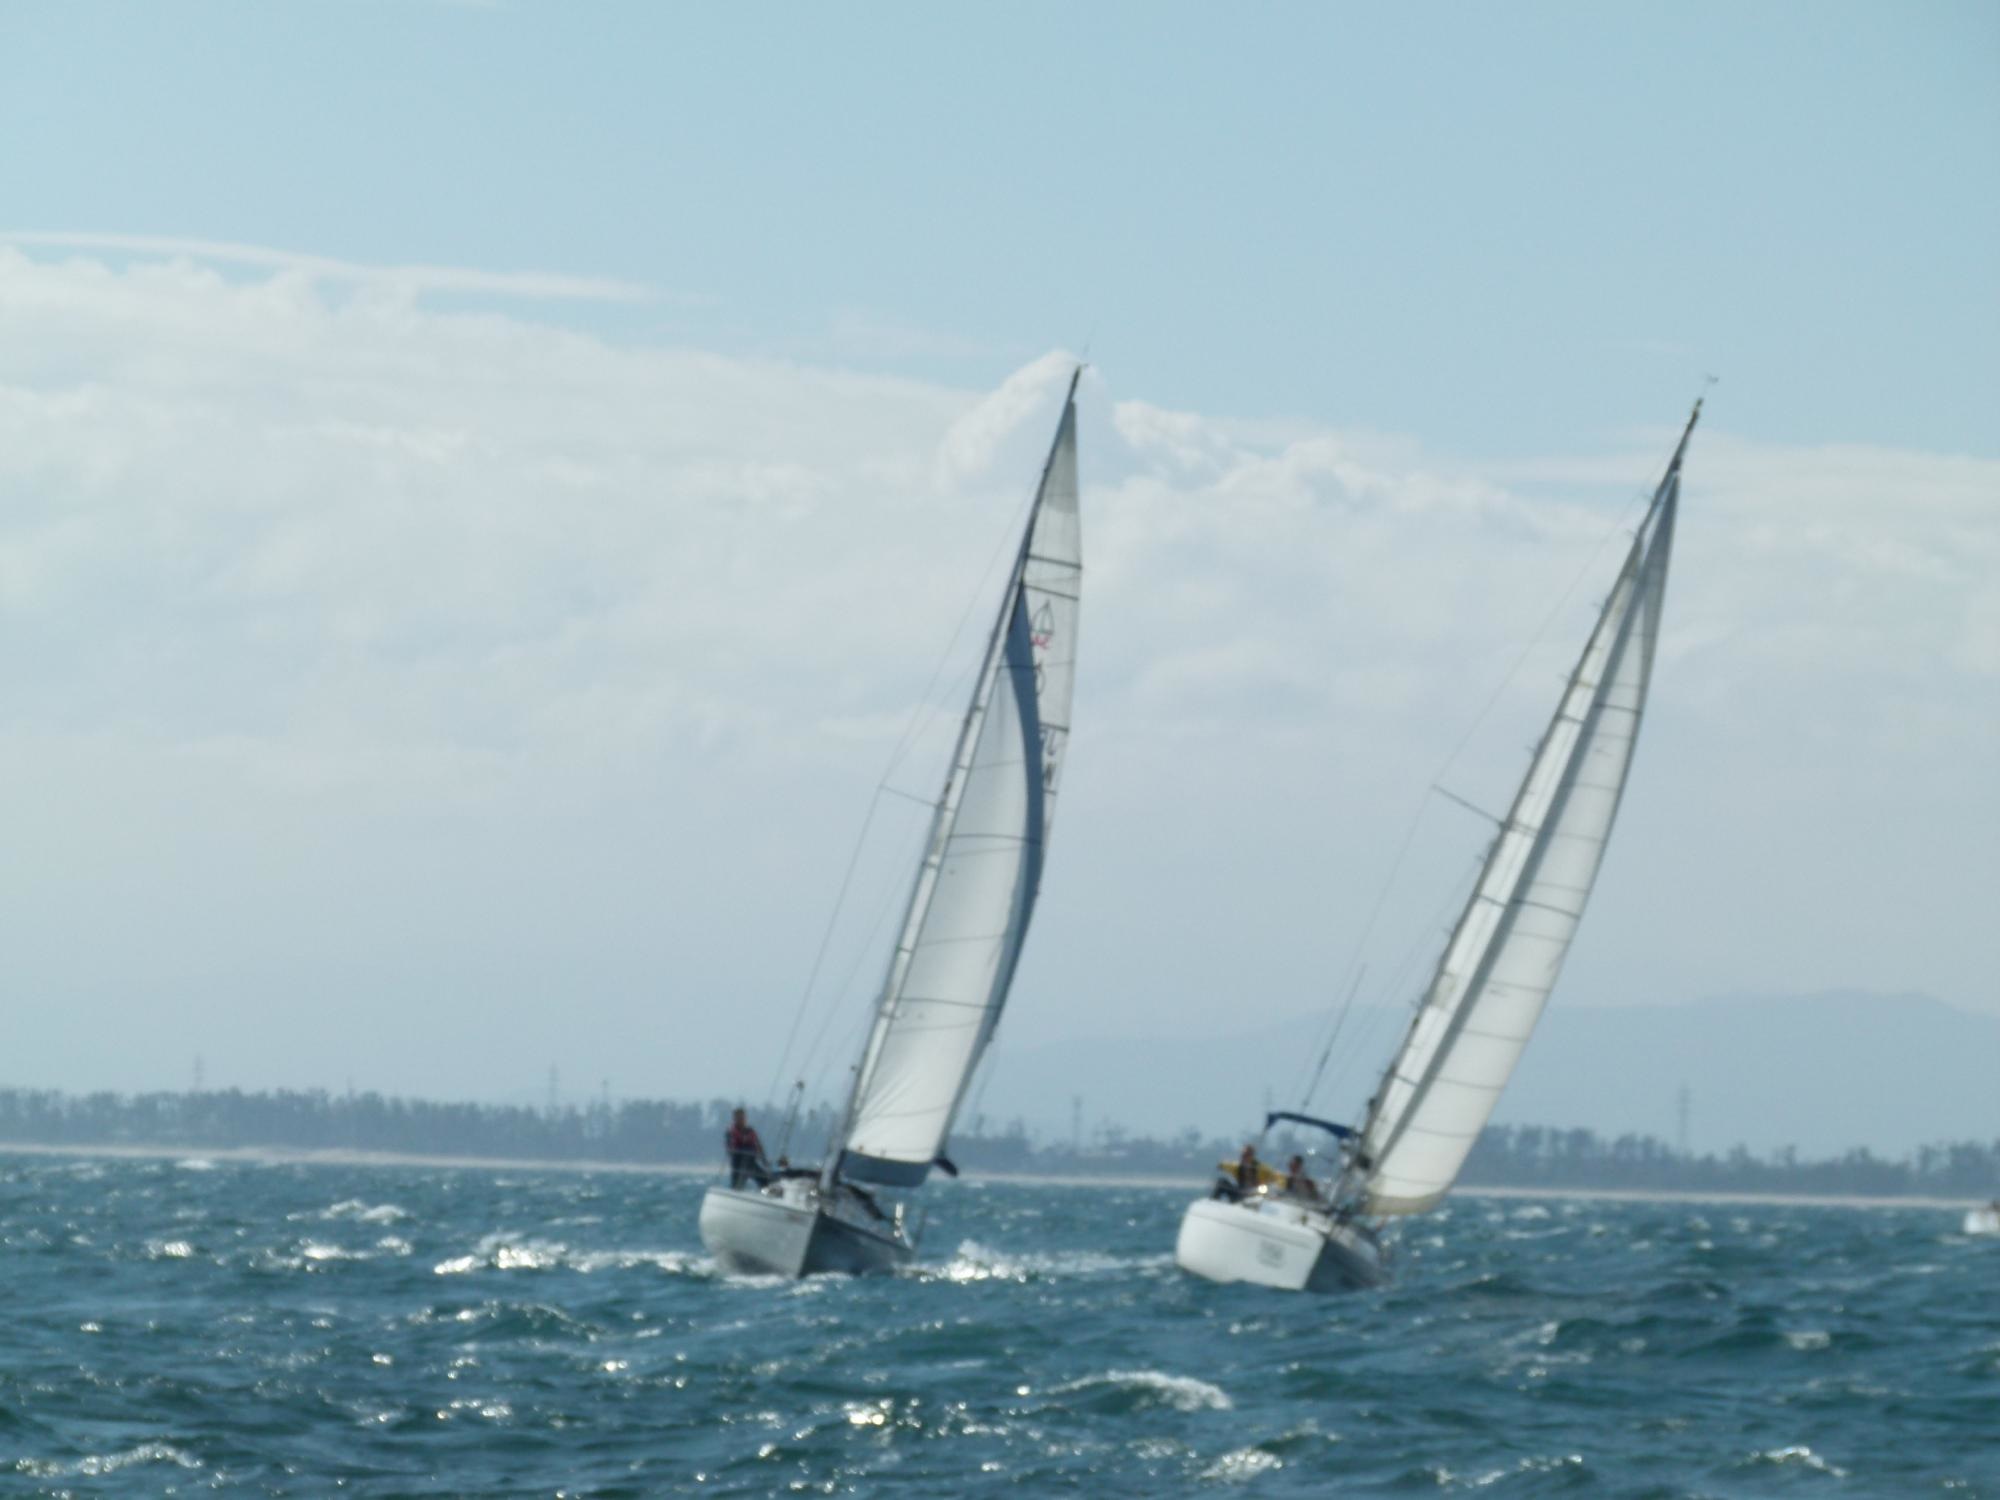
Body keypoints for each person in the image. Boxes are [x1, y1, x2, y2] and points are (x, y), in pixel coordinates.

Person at [724, 1107, 770, 1189]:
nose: (741, 1120)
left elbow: (758, 1145)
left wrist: (764, 1160)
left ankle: (766, 1191)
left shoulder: (750, 1131)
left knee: (765, 1179)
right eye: (739, 1118)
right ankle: (735, 1191)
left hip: (751, 1162)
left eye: (743, 1118)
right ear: (735, 1119)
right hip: (738, 1163)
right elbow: (729, 1147)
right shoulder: (730, 1132)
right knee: (737, 1184)